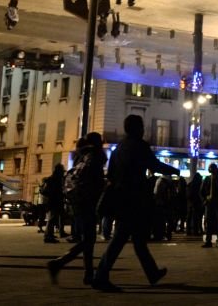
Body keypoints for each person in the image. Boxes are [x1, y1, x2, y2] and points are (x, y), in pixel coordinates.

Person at [92, 115, 180, 292]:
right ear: (137, 128)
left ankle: (152, 272)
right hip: (134, 199)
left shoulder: (119, 148)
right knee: (120, 239)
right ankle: (100, 275)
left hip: (121, 198)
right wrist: (174, 170)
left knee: (139, 240)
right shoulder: (139, 146)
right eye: (141, 126)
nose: (144, 129)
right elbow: (154, 165)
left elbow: (110, 175)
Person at [48, 132, 107, 286]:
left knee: (87, 239)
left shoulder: (82, 156)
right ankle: (59, 263)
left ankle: (88, 274)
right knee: (89, 240)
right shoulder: (94, 157)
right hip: (88, 201)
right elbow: (95, 181)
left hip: (79, 202)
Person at [43, 164, 67, 243]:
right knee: (52, 219)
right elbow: (55, 192)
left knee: (53, 218)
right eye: (62, 171)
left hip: (54, 201)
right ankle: (48, 236)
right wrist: (62, 195)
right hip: (54, 201)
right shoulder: (55, 179)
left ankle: (49, 234)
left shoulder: (54, 178)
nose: (63, 173)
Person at [186, 170, 204, 237]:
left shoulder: (190, 184)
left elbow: (188, 195)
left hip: (190, 203)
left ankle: (188, 231)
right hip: (196, 203)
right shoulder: (198, 185)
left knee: (189, 217)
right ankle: (195, 231)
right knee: (196, 218)